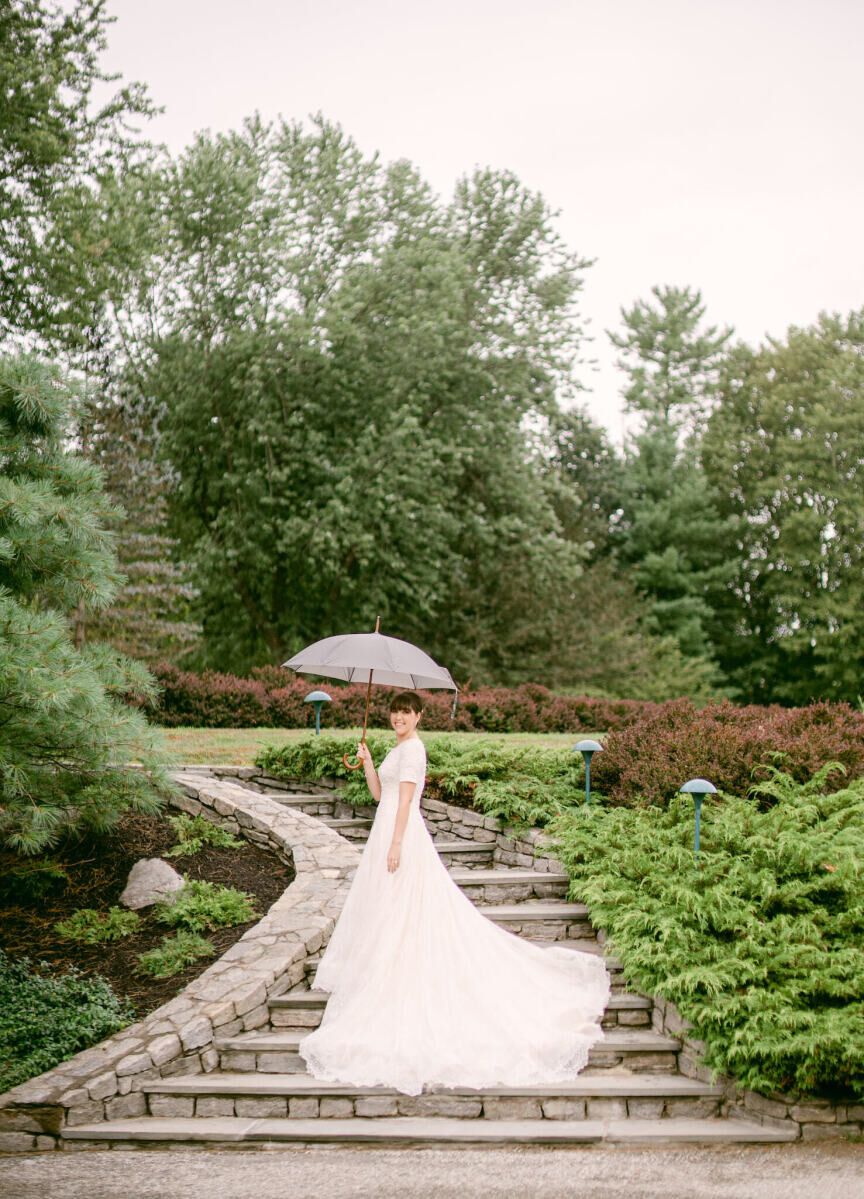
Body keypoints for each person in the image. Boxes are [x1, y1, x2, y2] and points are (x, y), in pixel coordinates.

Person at [297, 690, 610, 1097]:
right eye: (395, 712)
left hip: (400, 835)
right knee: (385, 907)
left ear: (419, 717)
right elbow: (380, 795)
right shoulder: (397, 749)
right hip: (384, 829)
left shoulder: (414, 751)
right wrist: (369, 763)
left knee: (406, 905)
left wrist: (396, 843)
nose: (399, 718)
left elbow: (406, 802)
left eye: (406, 713)